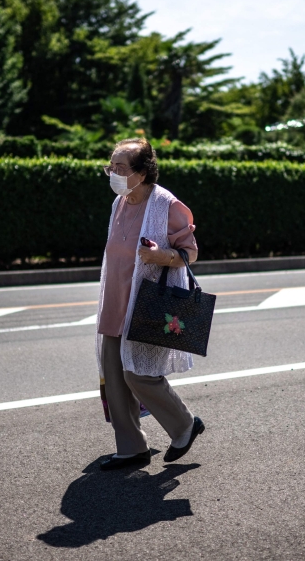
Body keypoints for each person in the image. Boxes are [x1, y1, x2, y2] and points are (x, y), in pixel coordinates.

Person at [95, 138, 205, 470]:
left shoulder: (166, 205)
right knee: (115, 377)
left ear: (142, 173)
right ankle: (131, 448)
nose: (113, 173)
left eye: (120, 167)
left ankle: (185, 424)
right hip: (115, 302)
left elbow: (191, 252)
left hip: (146, 305)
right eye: (110, 166)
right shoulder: (119, 202)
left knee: (139, 375)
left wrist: (161, 256)